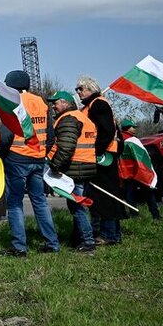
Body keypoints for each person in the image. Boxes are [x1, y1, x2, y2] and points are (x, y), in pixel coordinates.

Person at [0, 70, 60, 257]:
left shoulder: (12, 103)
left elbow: (7, 135)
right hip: (37, 159)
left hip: (17, 159)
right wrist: (42, 153)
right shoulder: (40, 103)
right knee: (40, 201)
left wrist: (2, 154)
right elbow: (50, 136)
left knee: (15, 203)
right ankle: (52, 244)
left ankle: (19, 247)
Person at [47, 91, 97, 253]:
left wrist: (55, 166)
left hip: (76, 168)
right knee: (78, 205)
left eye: (56, 103)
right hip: (86, 166)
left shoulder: (68, 119)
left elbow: (67, 147)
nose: (53, 106)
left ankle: (88, 242)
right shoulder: (82, 117)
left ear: (66, 103)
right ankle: (77, 239)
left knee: (77, 207)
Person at [76, 76, 125, 245]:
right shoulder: (93, 105)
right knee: (104, 195)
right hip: (104, 155)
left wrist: (95, 152)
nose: (78, 92)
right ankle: (111, 233)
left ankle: (108, 234)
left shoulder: (98, 104)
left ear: (91, 89)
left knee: (104, 196)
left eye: (81, 89)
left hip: (104, 158)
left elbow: (107, 131)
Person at [120, 119, 162, 221]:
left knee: (129, 194)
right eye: (133, 127)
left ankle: (134, 215)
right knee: (148, 193)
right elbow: (143, 156)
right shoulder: (133, 141)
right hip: (138, 172)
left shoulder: (119, 140)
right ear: (128, 128)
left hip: (127, 173)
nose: (134, 129)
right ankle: (155, 215)